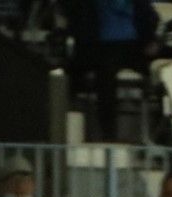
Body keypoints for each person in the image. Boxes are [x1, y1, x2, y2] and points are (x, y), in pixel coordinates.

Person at [64, 0, 157, 141]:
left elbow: (150, 19)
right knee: (105, 75)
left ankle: (170, 129)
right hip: (101, 48)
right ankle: (109, 136)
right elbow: (76, 23)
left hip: (135, 48)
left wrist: (150, 40)